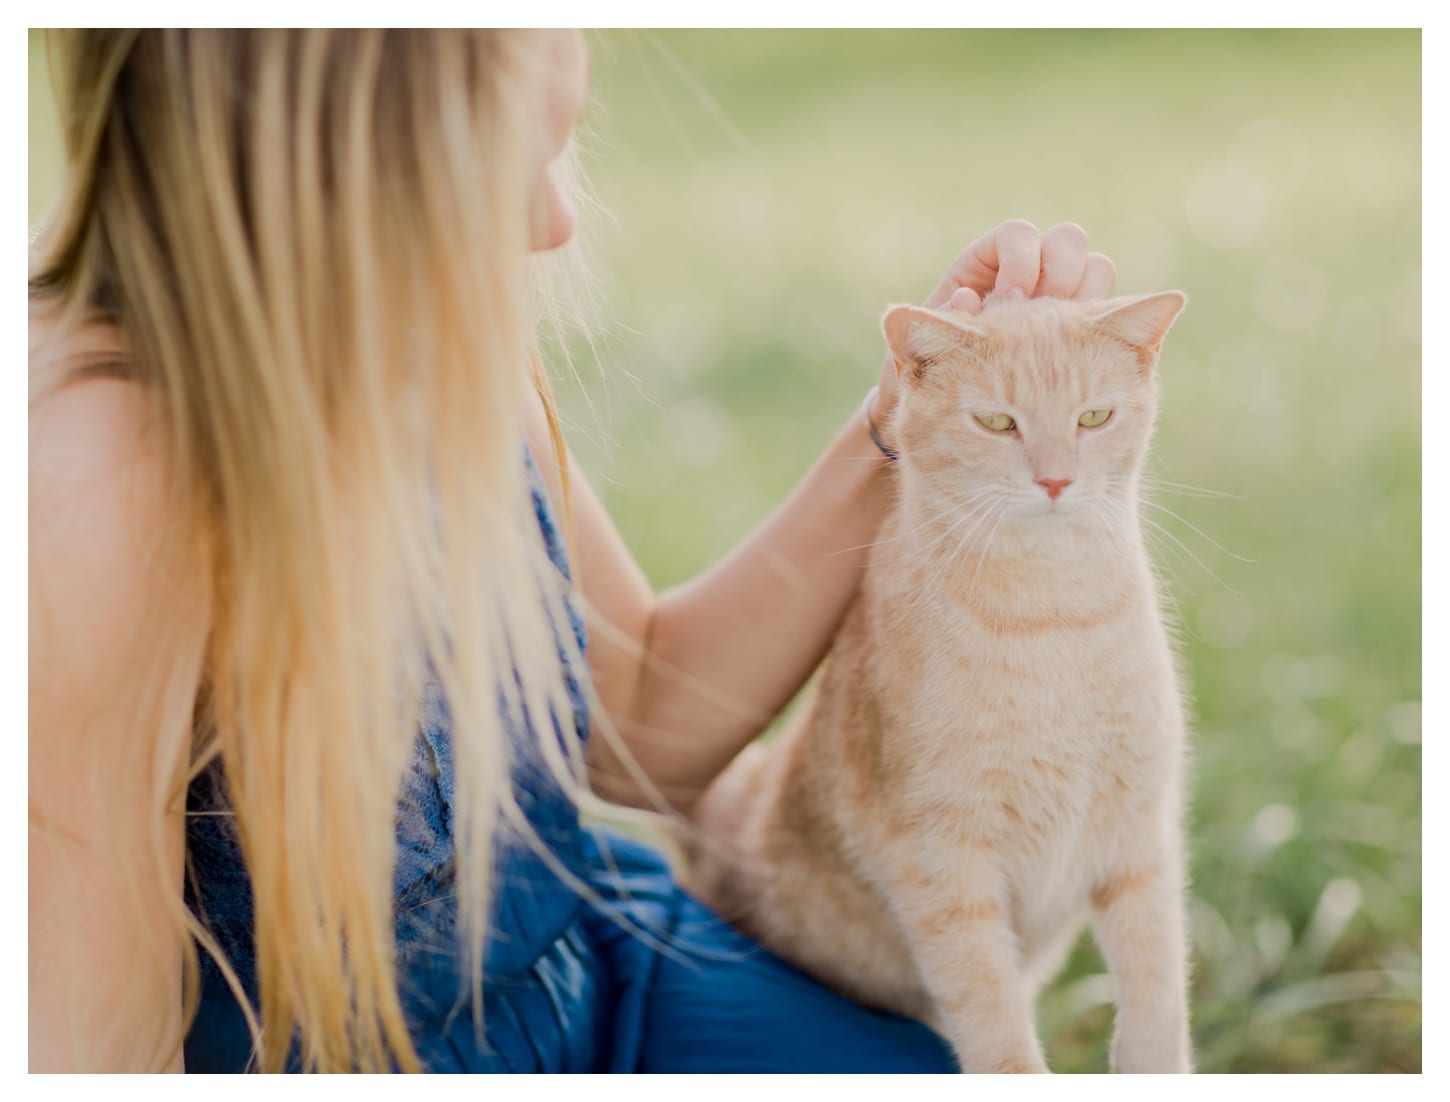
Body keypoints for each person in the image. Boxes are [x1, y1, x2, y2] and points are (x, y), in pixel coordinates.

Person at [28, 29, 1118, 1073]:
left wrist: (905, 421)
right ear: (311, 169)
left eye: (559, 143)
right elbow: (99, 1048)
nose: (551, 222)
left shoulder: (410, 317)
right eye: (495, 170)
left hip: (595, 966)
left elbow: (643, 713)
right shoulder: (96, 479)